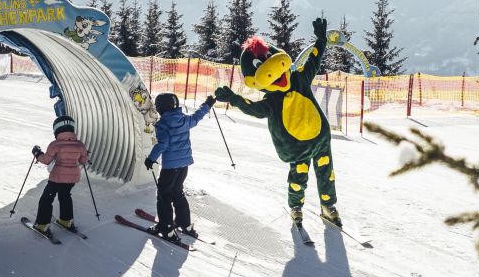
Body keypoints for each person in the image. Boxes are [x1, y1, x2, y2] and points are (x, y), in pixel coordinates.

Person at [214, 17, 341, 226]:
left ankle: (328, 205)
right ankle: (296, 207)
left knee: (326, 173)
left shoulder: (299, 80)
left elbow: (314, 61)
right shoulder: (271, 100)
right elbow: (252, 108)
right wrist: (234, 99)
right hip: (297, 147)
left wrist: (321, 40)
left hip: (320, 140)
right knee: (298, 176)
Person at [145, 92, 215, 238]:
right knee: (177, 193)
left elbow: (163, 144)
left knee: (164, 196)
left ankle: (166, 228)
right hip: (184, 166)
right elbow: (197, 117)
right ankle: (185, 224)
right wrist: (207, 105)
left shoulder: (162, 124)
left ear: (161, 108)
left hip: (170, 168)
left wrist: (151, 159)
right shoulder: (184, 120)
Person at [30, 114, 89, 233]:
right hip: (72, 179)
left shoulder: (55, 145)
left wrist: (37, 153)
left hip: (57, 178)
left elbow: (46, 160)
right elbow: (83, 161)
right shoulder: (79, 145)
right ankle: (66, 221)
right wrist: (86, 154)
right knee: (65, 196)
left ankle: (42, 224)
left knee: (47, 199)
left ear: (57, 129)